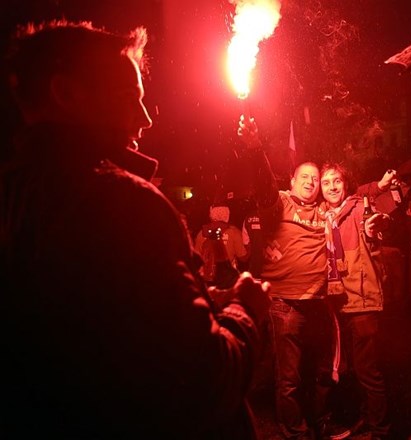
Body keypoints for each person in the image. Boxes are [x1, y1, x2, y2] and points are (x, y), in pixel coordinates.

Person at [0, 21, 271, 438]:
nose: (145, 120)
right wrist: (245, 310)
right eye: (130, 99)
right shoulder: (122, 202)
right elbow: (201, 378)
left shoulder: (15, 195)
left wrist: (197, 298)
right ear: (66, 93)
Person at [238, 116, 337, 439]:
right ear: (292, 181)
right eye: (304, 176)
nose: (310, 181)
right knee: (290, 379)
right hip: (285, 306)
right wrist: (254, 149)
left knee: (322, 373)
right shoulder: (278, 203)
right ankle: (295, 432)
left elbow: (351, 200)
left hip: (319, 304)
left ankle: (320, 423)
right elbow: (264, 183)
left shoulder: (324, 212)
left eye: (315, 178)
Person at [319, 163, 393, 440]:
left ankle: (381, 432)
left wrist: (377, 227)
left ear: (346, 184)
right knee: (347, 371)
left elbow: (378, 221)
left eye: (337, 180)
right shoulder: (322, 215)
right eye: (326, 182)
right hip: (335, 303)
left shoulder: (359, 208)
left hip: (362, 301)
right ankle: (365, 417)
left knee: (369, 372)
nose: (332, 186)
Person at [194, 203, 249, 287]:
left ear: (211, 215)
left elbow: (196, 260)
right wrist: (251, 247)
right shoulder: (234, 232)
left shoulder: (201, 233)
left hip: (206, 281)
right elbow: (243, 258)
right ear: (227, 214)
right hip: (227, 280)